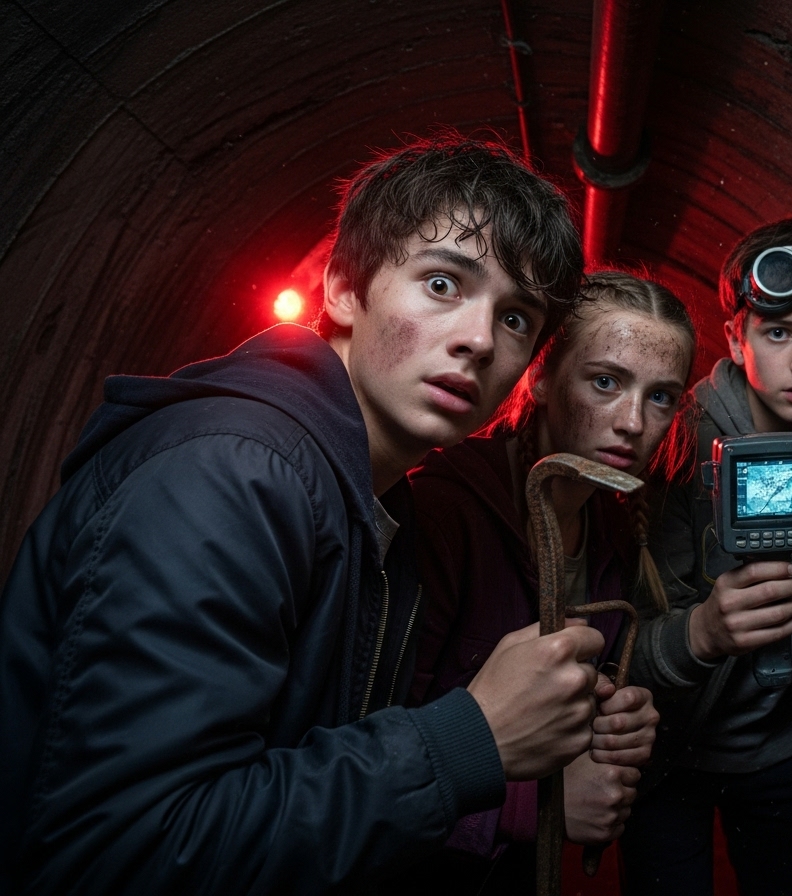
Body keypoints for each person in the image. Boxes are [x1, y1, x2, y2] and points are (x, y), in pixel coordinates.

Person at [0, 134, 616, 894]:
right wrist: (468, 742)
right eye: (443, 285)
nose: (479, 339)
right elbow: (119, 855)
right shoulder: (232, 475)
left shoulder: (378, 505)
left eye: (517, 317)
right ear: (344, 290)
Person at [404, 270, 695, 892]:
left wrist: (610, 726)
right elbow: (370, 751)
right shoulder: (445, 511)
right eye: (606, 382)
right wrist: (540, 807)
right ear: (540, 377)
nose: (633, 421)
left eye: (662, 396)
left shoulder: (613, 531)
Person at [622, 218, 792, 895]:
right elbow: (614, 644)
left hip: (788, 750)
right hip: (669, 754)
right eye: (777, 331)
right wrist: (700, 632)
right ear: (734, 336)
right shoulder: (671, 441)